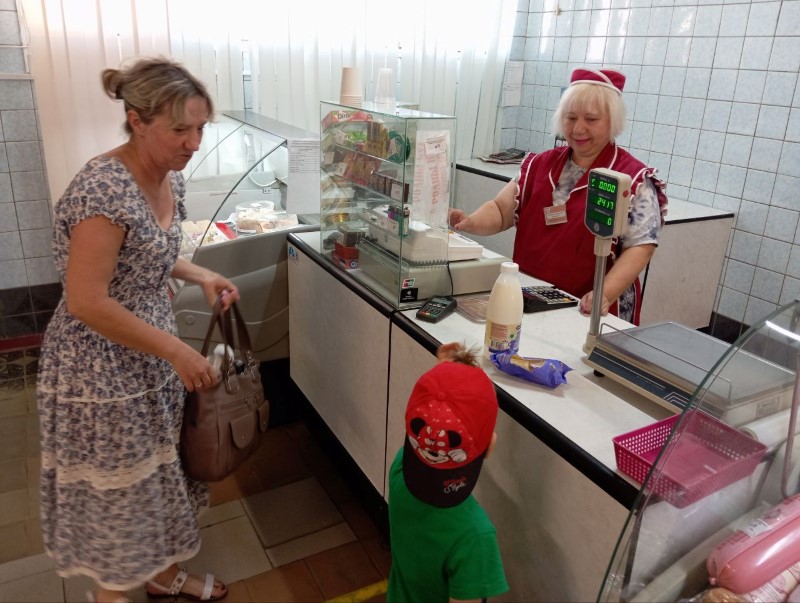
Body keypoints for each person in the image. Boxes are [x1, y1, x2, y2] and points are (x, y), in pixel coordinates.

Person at [36, 57, 239, 603]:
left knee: (157, 474)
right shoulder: (103, 190)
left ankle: (160, 574)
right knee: (120, 493)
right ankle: (114, 593)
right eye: (180, 129)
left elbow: (149, 252)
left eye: (200, 128)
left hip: (149, 353)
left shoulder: (166, 176)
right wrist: (176, 351)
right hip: (99, 367)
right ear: (137, 120)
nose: (193, 143)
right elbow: (87, 300)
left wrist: (200, 274)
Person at [450, 68, 668, 325]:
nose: (578, 128)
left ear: (613, 121)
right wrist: (470, 222)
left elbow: (640, 247)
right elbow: (500, 210)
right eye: (570, 117)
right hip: (530, 296)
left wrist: (605, 293)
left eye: (591, 119)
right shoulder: (539, 165)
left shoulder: (633, 179)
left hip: (590, 309)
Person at [387, 342, 509, 603]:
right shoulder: (474, 537)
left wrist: (445, 370)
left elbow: (436, 413)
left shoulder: (400, 471)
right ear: (490, 445)